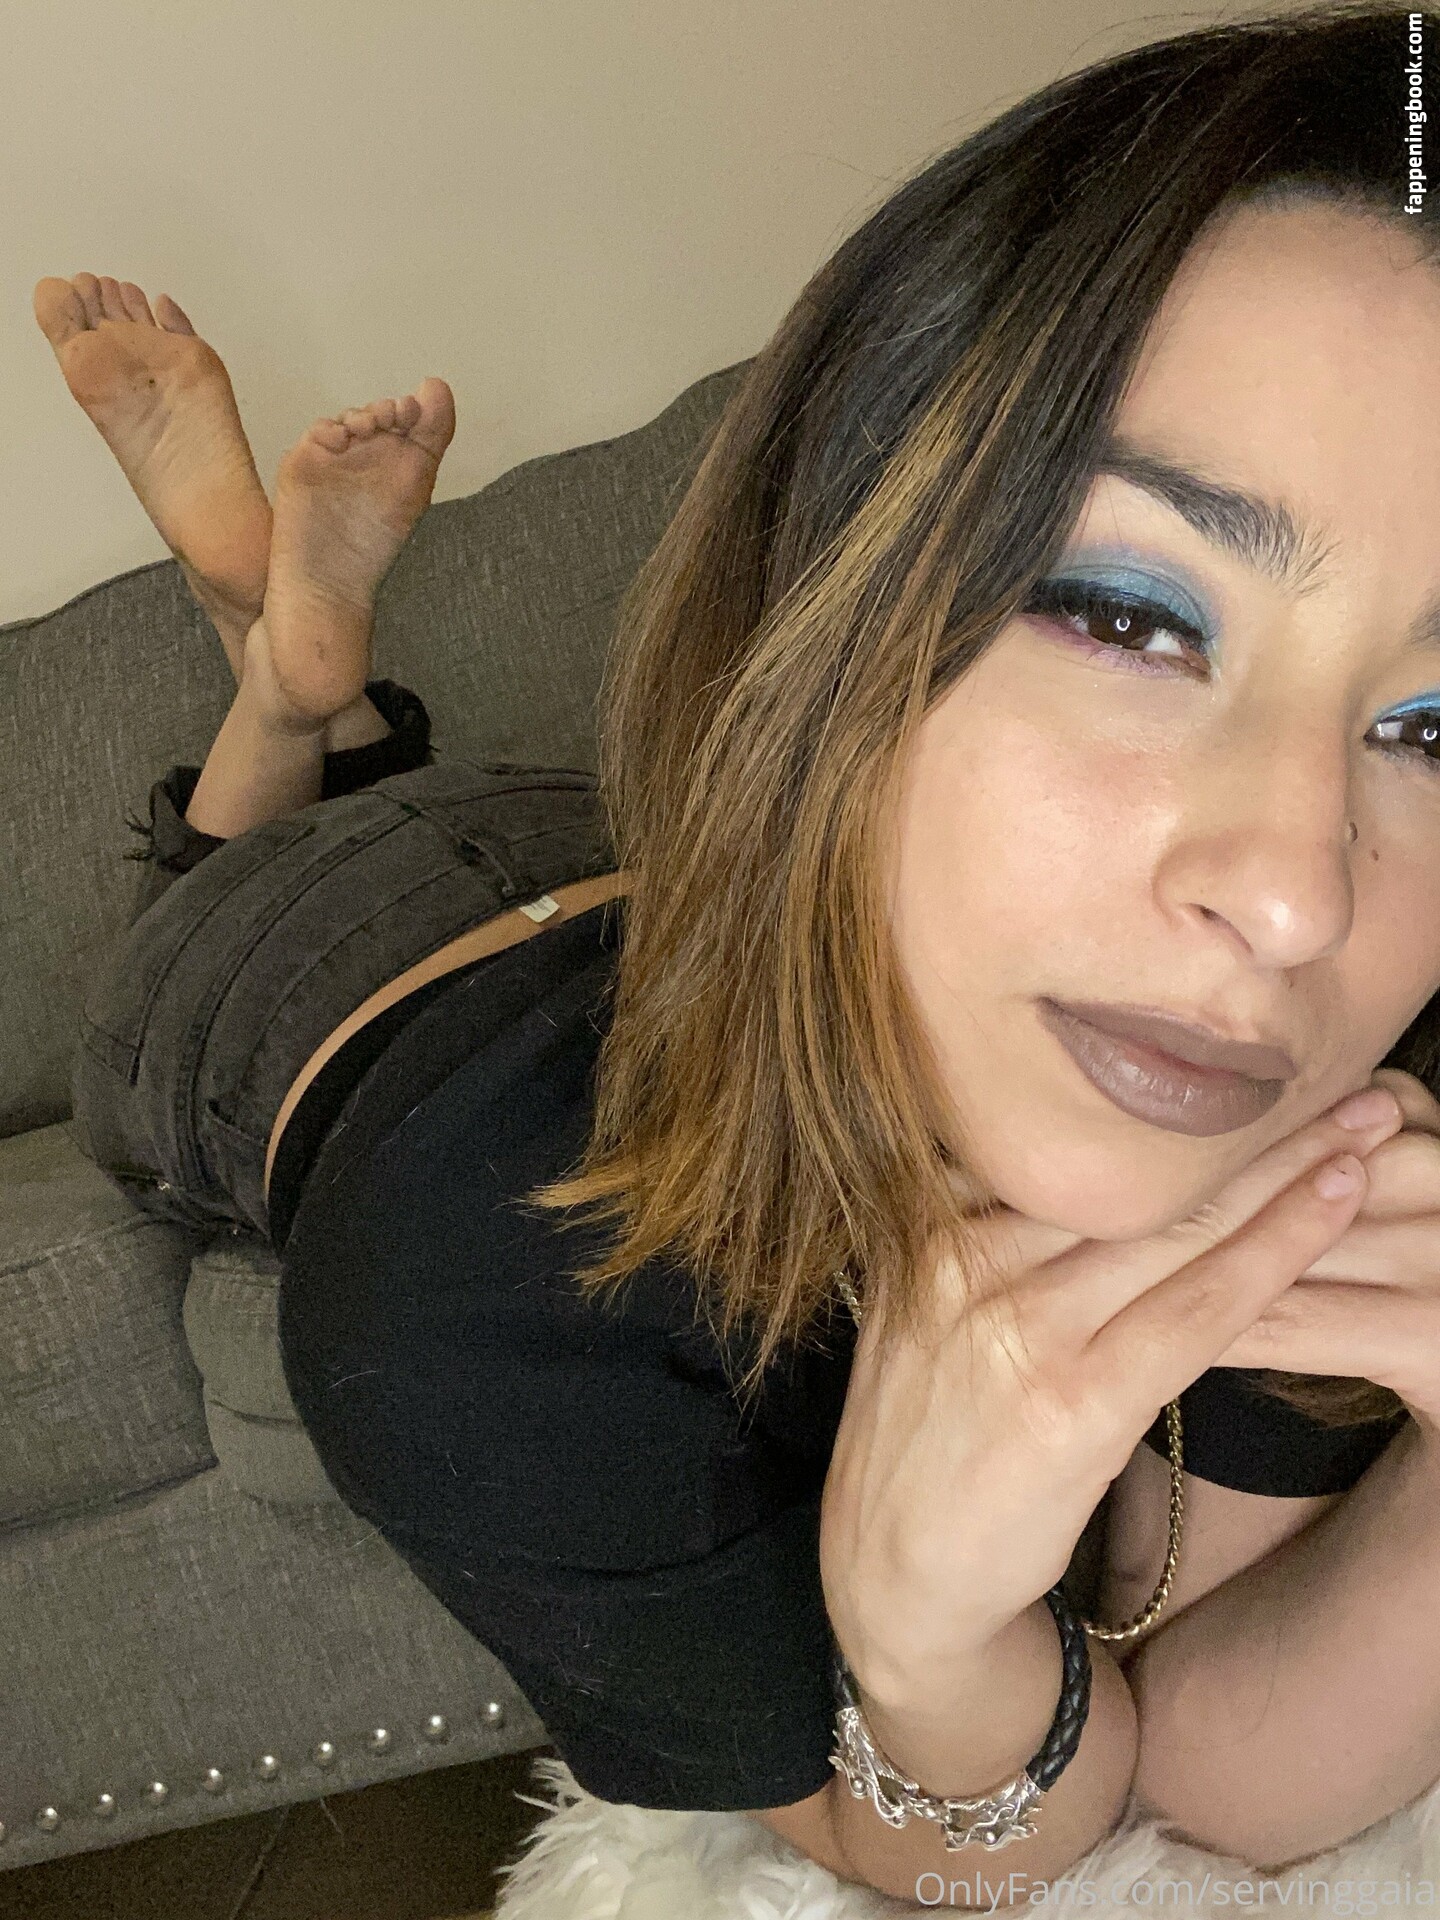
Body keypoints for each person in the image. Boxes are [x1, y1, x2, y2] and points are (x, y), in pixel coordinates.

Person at [49, 1, 1440, 1901]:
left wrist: (962, 1640)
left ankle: (295, 663)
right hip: (293, 986)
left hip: (629, 879)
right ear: (821, 600)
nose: (1296, 899)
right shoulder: (475, 1308)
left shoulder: (1299, 1092)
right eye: (1128, 614)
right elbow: (900, 1841)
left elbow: (1209, 1777)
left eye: (1433, 726)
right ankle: (283, 686)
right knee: (227, 868)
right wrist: (923, 1653)